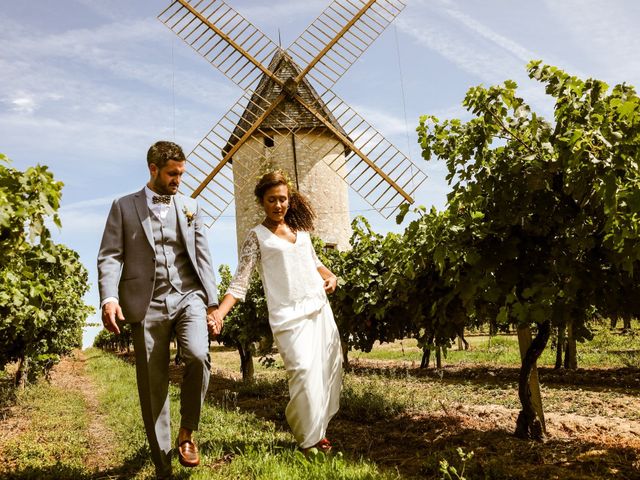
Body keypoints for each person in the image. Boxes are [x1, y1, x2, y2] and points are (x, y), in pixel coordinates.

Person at [97, 141, 221, 479]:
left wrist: (212, 303)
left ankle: (188, 432)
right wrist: (109, 298)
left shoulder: (191, 206)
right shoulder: (123, 207)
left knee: (197, 355)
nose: (178, 180)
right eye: (172, 174)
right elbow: (110, 255)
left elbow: (203, 257)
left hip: (187, 296)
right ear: (153, 169)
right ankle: (163, 465)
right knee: (153, 385)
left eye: (181, 173)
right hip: (145, 302)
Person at [212, 170, 342, 454]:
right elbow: (239, 282)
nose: (278, 205)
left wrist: (330, 276)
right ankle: (307, 439)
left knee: (324, 371)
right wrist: (220, 313)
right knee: (303, 372)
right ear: (262, 202)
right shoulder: (256, 237)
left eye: (282, 199)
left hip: (318, 308)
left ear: (289, 200)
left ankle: (316, 434)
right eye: (272, 200)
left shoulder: (302, 233)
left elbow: (315, 263)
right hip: (287, 316)